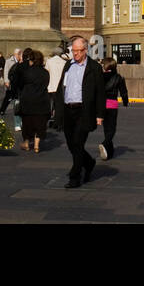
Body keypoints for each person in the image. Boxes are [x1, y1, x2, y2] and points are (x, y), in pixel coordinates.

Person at [54, 35, 105, 188]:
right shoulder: (68, 65)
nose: (75, 54)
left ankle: (75, 176)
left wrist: (100, 114)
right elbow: (61, 87)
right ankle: (88, 163)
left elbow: (100, 93)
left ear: (85, 50)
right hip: (68, 110)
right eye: (73, 51)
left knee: (77, 142)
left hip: (84, 111)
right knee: (71, 144)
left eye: (78, 51)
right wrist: (57, 108)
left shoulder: (94, 68)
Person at [17, 49, 51, 153]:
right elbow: (46, 84)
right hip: (42, 100)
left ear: (31, 60)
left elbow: (21, 84)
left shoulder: (27, 72)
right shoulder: (45, 73)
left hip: (28, 101)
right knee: (40, 123)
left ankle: (26, 143)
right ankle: (36, 145)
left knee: (27, 123)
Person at [98, 57, 129, 160]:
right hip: (112, 104)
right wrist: (125, 102)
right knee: (112, 129)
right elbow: (123, 92)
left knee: (106, 128)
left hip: (101, 105)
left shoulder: (100, 76)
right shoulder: (118, 77)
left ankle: (109, 152)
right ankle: (105, 143)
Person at [44, 46, 67, 127]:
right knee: (59, 105)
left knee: (50, 104)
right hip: (60, 87)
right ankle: (58, 120)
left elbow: (46, 72)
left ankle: (50, 118)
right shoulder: (64, 62)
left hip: (51, 85)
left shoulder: (49, 61)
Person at [0, 48, 23, 117]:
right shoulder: (9, 61)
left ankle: (18, 110)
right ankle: (2, 110)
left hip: (18, 83)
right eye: (20, 54)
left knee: (18, 97)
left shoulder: (21, 61)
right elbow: (6, 71)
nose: (21, 56)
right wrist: (6, 81)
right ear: (17, 54)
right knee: (8, 97)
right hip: (11, 82)